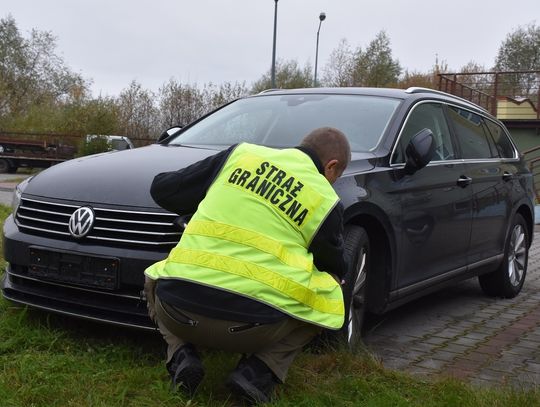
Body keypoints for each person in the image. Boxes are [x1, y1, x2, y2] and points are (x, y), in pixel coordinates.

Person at [144, 127, 351, 404]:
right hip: (254, 329)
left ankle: (181, 354)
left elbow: (164, 189)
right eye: (336, 177)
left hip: (178, 312)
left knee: (153, 276)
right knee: (330, 292)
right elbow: (336, 264)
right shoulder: (324, 198)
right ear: (332, 166)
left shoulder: (240, 155)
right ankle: (259, 372)